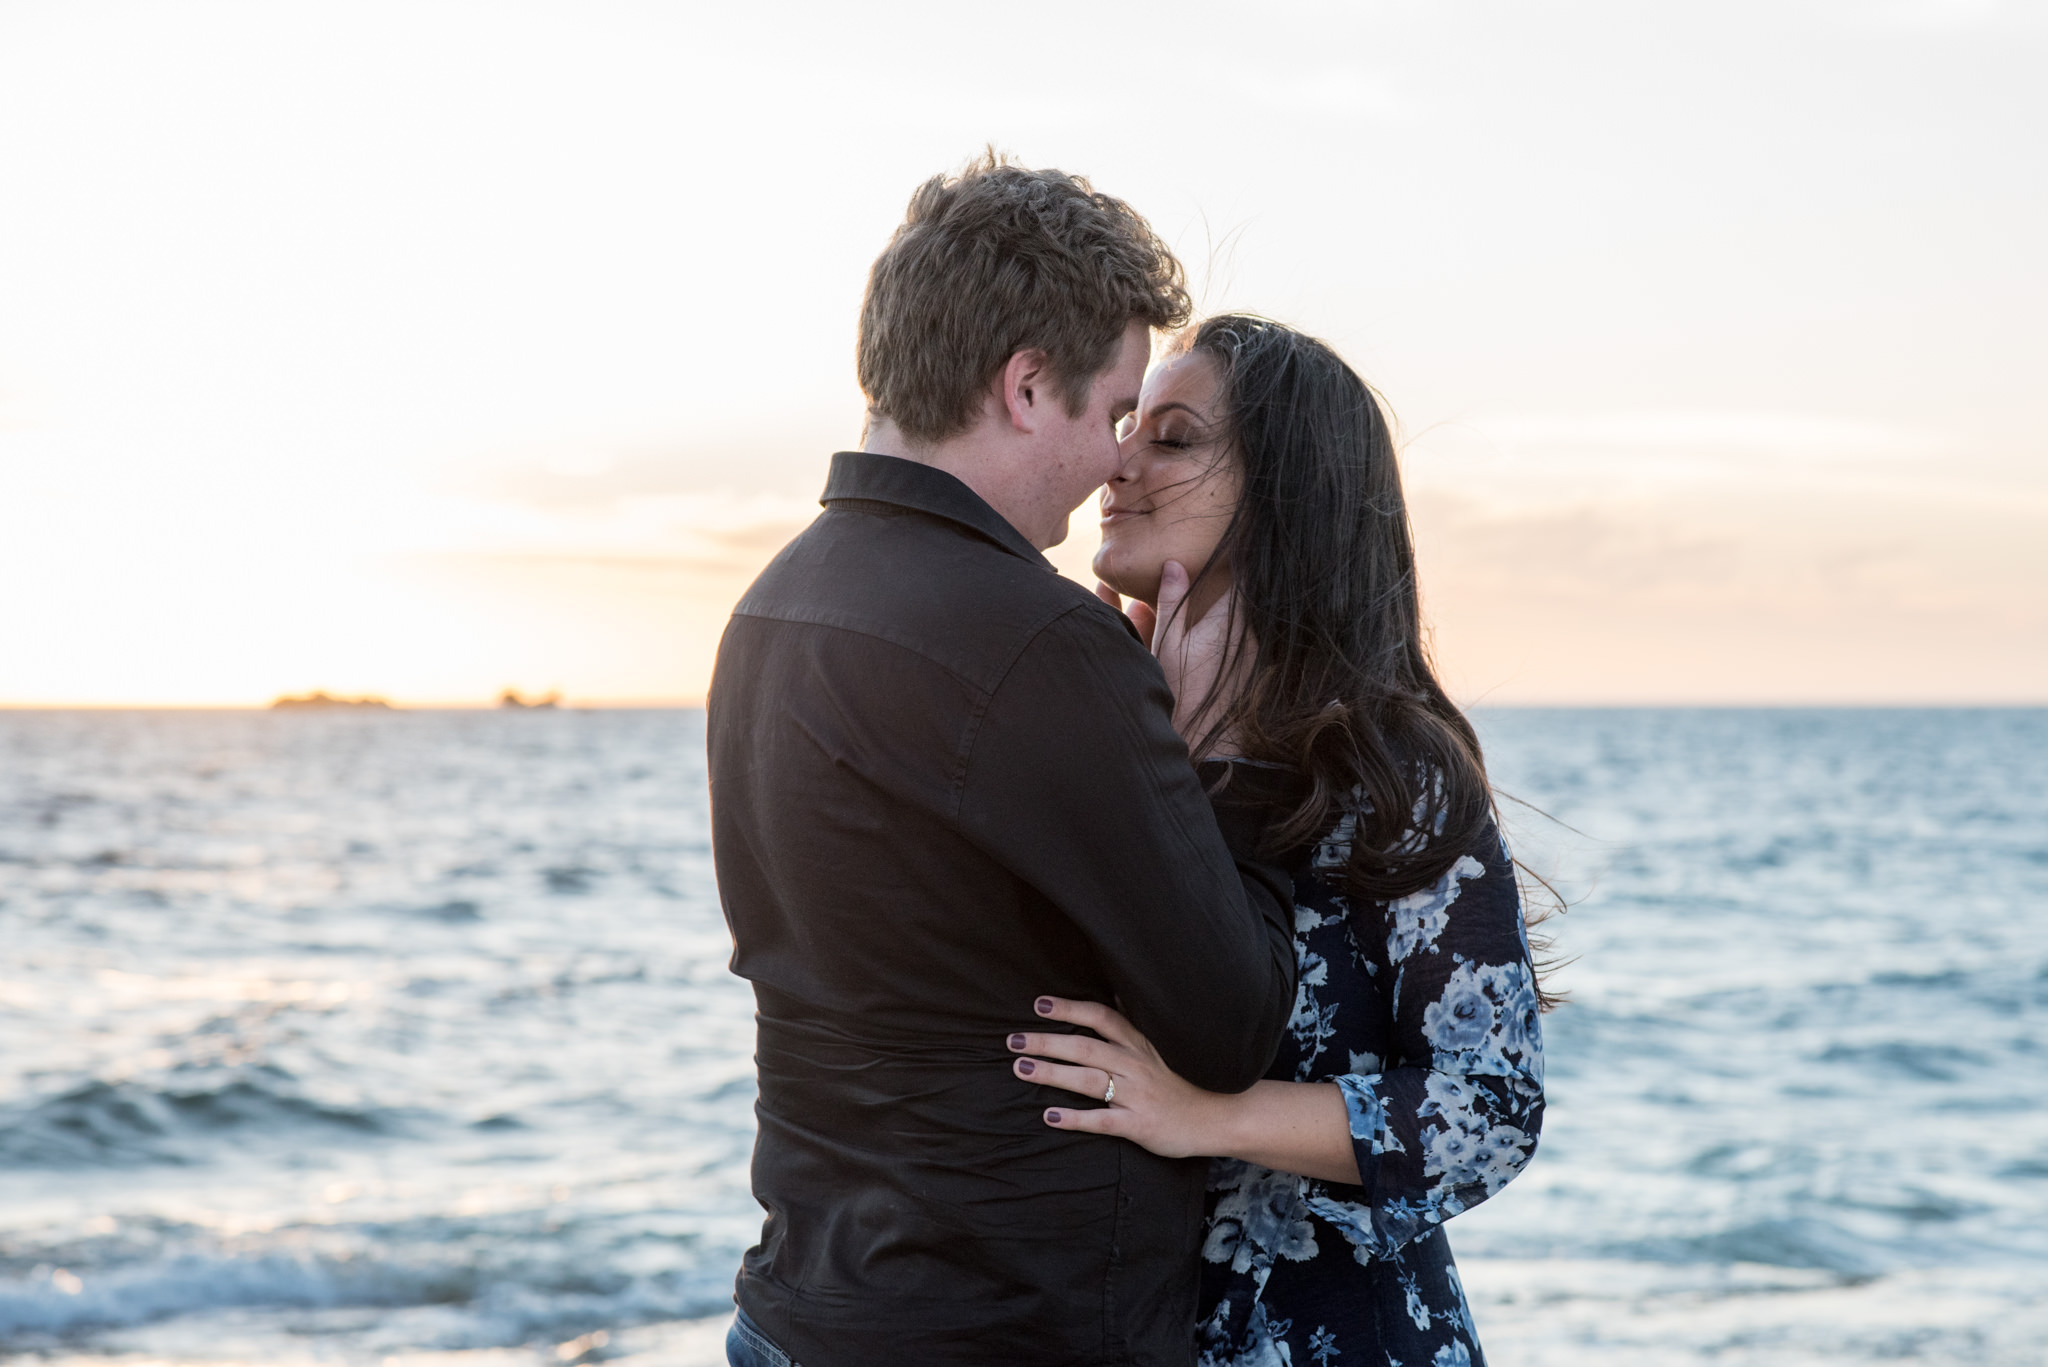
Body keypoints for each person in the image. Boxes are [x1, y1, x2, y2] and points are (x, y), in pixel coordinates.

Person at [707, 160, 1306, 1367]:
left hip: (803, 1304)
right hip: (1001, 1324)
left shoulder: (771, 609)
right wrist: (1219, 739)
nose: (1114, 463)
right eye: (1112, 412)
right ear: (1026, 385)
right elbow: (1234, 1018)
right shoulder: (1038, 639)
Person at [1007, 316, 1547, 1366]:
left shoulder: (1387, 765)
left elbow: (1490, 1107)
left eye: (1169, 437)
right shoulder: (1105, 733)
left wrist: (1205, 1112)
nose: (1117, 461)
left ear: (1282, 491)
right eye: (1127, 425)